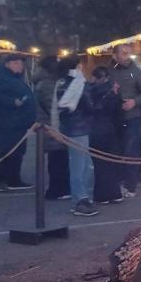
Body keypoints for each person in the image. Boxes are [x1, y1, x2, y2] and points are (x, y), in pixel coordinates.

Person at [0, 54, 35, 192]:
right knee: (6, 150)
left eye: (20, 63)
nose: (21, 66)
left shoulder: (16, 79)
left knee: (18, 151)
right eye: (17, 63)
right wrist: (12, 102)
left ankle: (14, 178)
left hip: (18, 122)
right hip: (6, 121)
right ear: (8, 64)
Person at [55, 57, 97, 216]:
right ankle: (81, 199)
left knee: (80, 165)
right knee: (82, 167)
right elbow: (88, 105)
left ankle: (83, 197)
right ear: (77, 66)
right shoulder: (79, 83)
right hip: (80, 127)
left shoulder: (61, 83)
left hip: (68, 127)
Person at [112, 44, 141, 197]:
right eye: (123, 53)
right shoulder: (110, 71)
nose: (126, 56)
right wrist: (109, 89)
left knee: (131, 151)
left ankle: (130, 185)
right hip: (114, 118)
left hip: (132, 118)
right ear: (114, 55)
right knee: (116, 151)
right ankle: (119, 181)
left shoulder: (136, 72)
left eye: (128, 53)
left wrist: (134, 102)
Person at [34, 56, 70, 199]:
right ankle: (58, 190)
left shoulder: (44, 82)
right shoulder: (48, 83)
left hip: (49, 125)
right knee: (58, 159)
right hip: (52, 126)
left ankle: (59, 188)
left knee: (57, 158)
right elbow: (53, 105)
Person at [88, 66, 124, 204]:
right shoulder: (113, 92)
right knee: (111, 162)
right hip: (110, 129)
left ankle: (102, 195)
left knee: (99, 163)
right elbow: (118, 113)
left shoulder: (88, 90)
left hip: (95, 129)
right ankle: (115, 193)